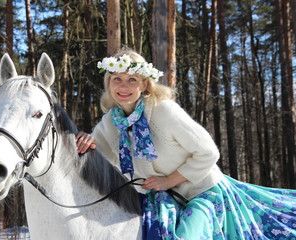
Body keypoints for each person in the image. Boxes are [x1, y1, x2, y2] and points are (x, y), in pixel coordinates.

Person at [76, 49, 296, 239]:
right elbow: (97, 159)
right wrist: (86, 142)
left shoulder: (164, 111)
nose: (123, 86)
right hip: (158, 199)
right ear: (108, 83)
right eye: (117, 79)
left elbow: (208, 153)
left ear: (144, 84)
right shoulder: (109, 124)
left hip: (201, 191)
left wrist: (169, 181)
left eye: (132, 79)